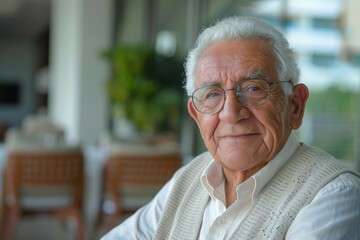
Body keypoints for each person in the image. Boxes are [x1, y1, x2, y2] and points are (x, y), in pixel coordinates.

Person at [101, 16, 360, 240]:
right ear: (195, 114)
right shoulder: (188, 179)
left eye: (254, 88)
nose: (231, 113)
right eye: (212, 94)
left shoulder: (332, 196)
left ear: (295, 106)